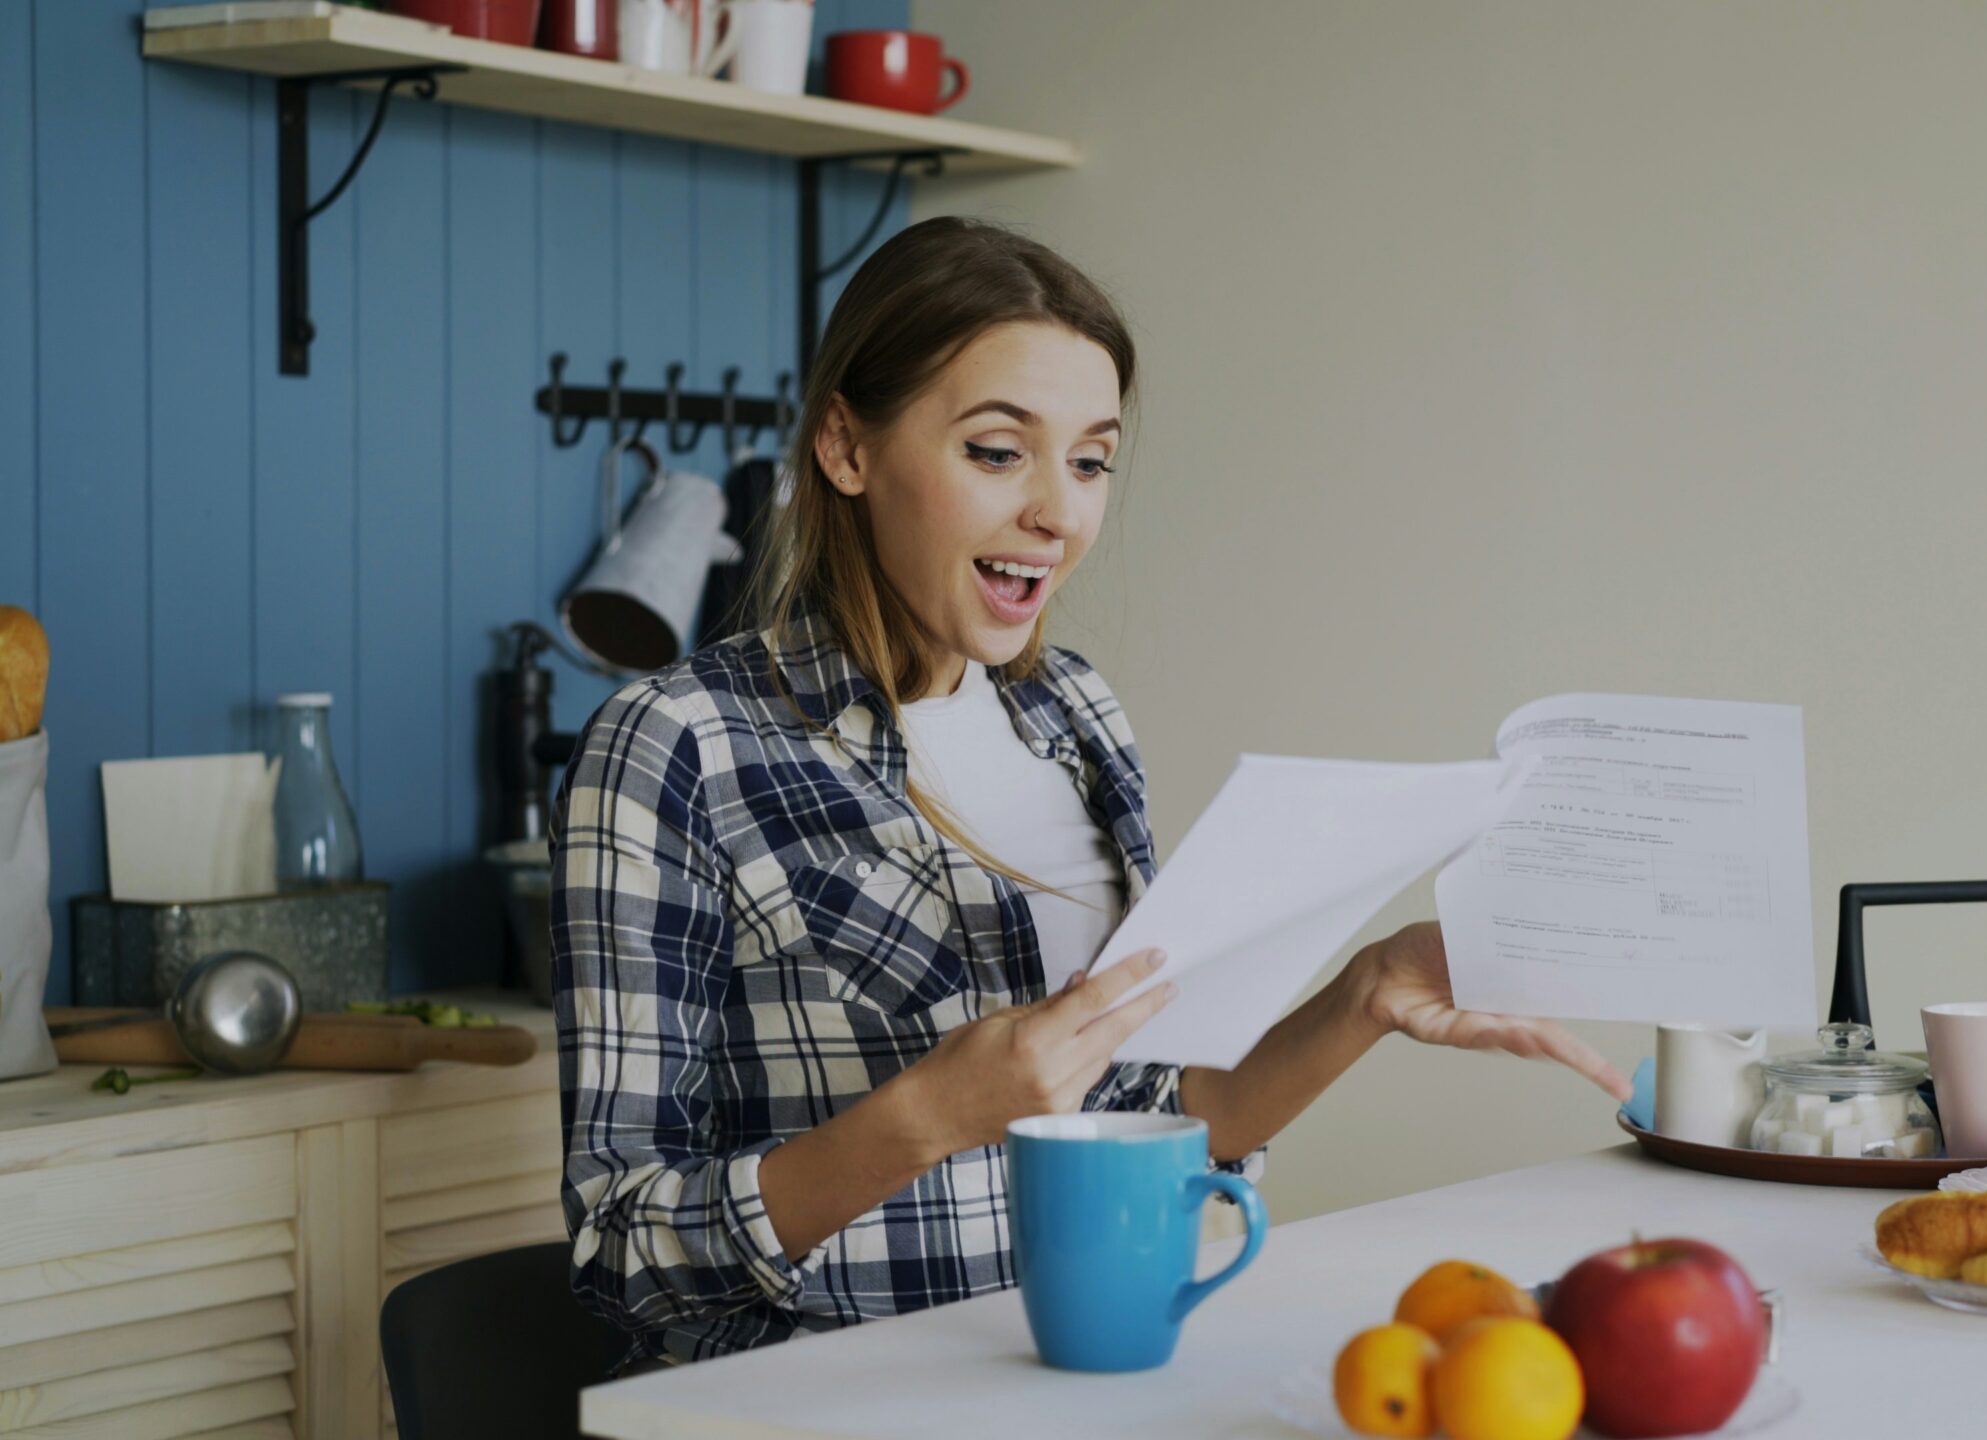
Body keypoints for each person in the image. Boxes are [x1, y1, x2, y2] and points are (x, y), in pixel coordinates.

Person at [550, 216, 1630, 1369]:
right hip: (831, 1397)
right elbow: (622, 1253)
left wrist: (1368, 992)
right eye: (996, 450)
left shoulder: (1073, 714)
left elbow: (1170, 1118)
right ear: (845, 449)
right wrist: (925, 1117)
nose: (1059, 515)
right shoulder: (675, 743)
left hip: (1085, 1377)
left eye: (1091, 459)